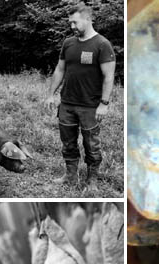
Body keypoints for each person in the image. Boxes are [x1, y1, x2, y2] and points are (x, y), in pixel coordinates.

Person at [45, 4, 115, 190]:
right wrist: (51, 95)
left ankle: (92, 180)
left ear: (87, 19)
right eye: (70, 23)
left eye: (75, 22)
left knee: (91, 144)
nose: (72, 27)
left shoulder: (102, 44)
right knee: (67, 142)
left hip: (90, 106)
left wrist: (104, 104)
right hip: (67, 103)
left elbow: (109, 77)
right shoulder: (68, 43)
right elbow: (60, 69)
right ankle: (70, 175)